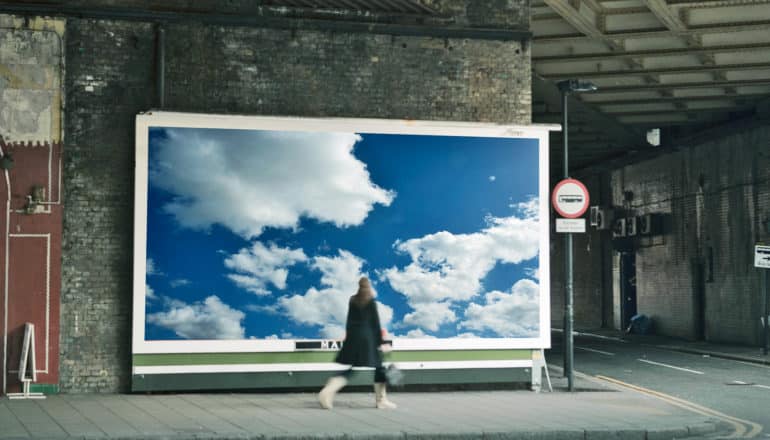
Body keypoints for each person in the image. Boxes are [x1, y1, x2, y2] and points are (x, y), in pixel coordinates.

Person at [318, 276, 397, 410]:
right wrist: (382, 342)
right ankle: (381, 400)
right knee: (379, 367)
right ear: (369, 286)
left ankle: (330, 388)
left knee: (353, 367)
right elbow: (375, 324)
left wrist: (349, 338)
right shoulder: (371, 301)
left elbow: (349, 321)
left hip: (354, 337)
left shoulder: (352, 300)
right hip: (368, 339)